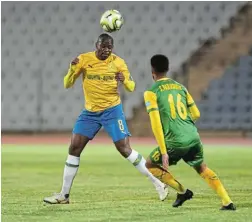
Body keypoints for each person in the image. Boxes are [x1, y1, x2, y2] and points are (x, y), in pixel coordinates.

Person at [43, 34, 168, 204]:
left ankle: (158, 183)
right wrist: (72, 69)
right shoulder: (83, 60)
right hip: (90, 113)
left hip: (112, 111)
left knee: (124, 149)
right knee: (74, 148)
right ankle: (64, 195)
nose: (107, 50)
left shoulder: (118, 63)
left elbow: (132, 87)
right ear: (97, 45)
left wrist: (124, 80)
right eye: (104, 47)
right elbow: (67, 83)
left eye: (110, 47)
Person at [143, 54, 236, 210]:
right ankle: (227, 201)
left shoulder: (151, 92)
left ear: (152, 70)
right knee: (201, 167)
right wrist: (184, 125)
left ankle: (182, 192)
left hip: (175, 141)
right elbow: (196, 114)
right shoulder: (181, 87)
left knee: (150, 164)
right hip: (193, 136)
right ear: (167, 69)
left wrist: (164, 151)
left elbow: (156, 124)